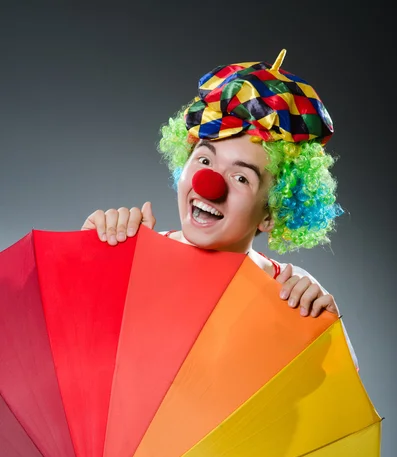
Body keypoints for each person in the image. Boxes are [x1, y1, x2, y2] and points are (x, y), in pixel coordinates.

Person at [81, 49, 358, 367]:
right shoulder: (128, 257)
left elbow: (330, 404)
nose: (209, 183)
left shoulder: (291, 295)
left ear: (271, 212)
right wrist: (89, 265)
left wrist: (324, 341)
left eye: (241, 177)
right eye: (204, 160)